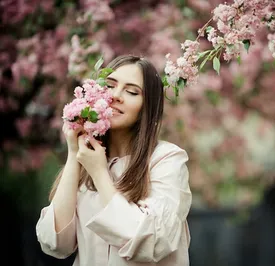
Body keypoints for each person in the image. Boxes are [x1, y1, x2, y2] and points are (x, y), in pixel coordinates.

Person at [36, 55, 192, 266]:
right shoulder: (86, 160)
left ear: (147, 107)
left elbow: (153, 241)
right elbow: (55, 243)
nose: (116, 96)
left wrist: (100, 173)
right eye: (109, 86)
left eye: (131, 91)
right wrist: (74, 155)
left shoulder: (166, 160)